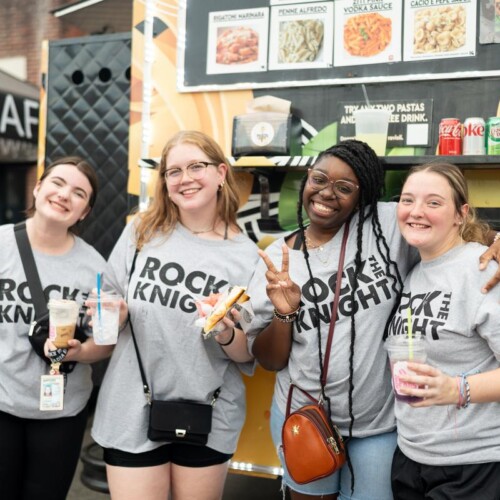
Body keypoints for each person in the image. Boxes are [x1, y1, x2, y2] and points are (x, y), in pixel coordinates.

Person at [246, 140, 500, 500]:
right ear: (306, 179)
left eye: (345, 188)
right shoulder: (277, 258)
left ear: (362, 197)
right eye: (320, 179)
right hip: (305, 416)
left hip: (380, 424)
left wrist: (495, 240)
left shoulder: (387, 225)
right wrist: (285, 312)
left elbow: (448, 229)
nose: (327, 193)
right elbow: (269, 359)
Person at [91, 130, 260, 500]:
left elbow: (248, 354)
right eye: (174, 171)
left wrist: (225, 331)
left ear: (220, 173)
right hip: (130, 409)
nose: (185, 178)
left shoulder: (247, 256)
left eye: (196, 166)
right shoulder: (141, 231)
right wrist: (114, 314)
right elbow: (109, 298)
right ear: (165, 183)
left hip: (209, 414)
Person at [387, 163, 500, 500]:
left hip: (472, 465)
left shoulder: (483, 269)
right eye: (408, 200)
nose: (417, 211)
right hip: (411, 457)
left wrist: (458, 388)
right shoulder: (413, 271)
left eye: (434, 203)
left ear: (460, 214)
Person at [0, 156, 110, 500]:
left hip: (61, 411)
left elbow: (104, 343)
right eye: (57, 183)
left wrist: (83, 351)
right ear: (37, 188)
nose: (65, 195)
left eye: (79, 193)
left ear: (84, 212)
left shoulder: (95, 268)